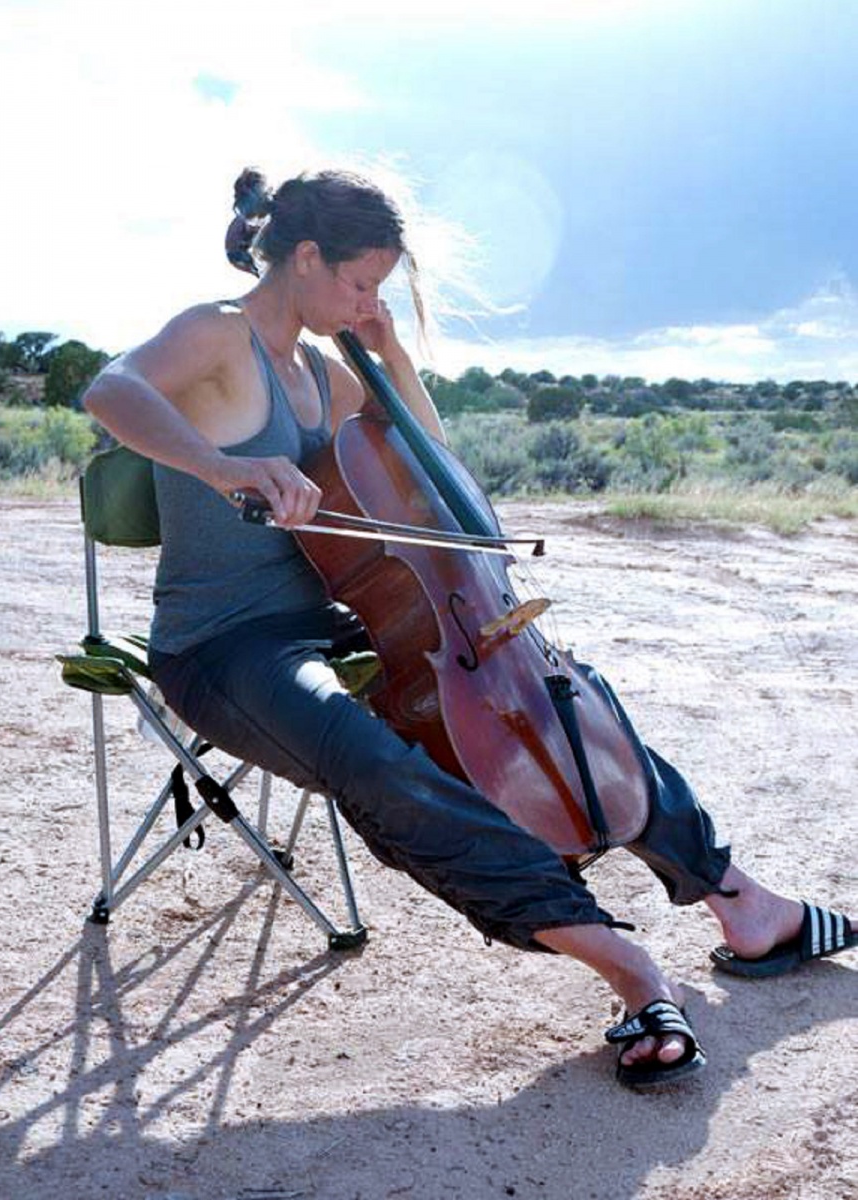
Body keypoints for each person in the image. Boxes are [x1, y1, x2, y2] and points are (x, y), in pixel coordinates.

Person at [82, 166, 855, 1090]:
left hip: (332, 621)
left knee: (574, 699)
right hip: (222, 647)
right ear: (303, 256)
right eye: (359, 282)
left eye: (379, 287)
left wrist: (392, 357)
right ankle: (633, 972)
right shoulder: (220, 334)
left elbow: (432, 467)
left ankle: (742, 903)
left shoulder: (326, 378)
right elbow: (111, 392)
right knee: (375, 763)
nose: (368, 300)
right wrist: (221, 469)